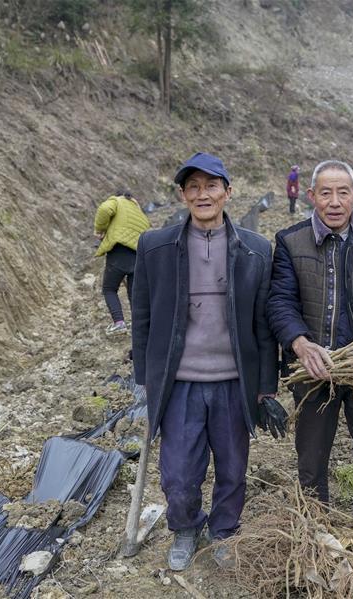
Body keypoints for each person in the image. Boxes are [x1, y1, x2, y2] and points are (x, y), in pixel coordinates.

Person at [132, 152, 287, 571]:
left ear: (227, 192)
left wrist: (266, 386)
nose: (203, 195)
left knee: (233, 467)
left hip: (233, 381)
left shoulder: (255, 250)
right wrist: (142, 377)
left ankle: (224, 530)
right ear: (183, 195)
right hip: (179, 381)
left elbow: (262, 325)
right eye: (193, 187)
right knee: (179, 475)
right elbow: (142, 315)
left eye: (211, 186)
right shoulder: (155, 246)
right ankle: (185, 527)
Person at [267, 160, 353, 511]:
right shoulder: (289, 242)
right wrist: (300, 342)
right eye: (326, 193)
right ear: (311, 196)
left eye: (343, 193)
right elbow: (280, 300)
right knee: (311, 458)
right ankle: (316, 525)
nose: (335, 201)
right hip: (312, 370)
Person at [93, 191, 150, 334]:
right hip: (139, 255)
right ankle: (139, 326)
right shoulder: (140, 213)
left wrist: (100, 229)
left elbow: (105, 209)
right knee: (134, 293)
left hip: (119, 251)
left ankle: (119, 323)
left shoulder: (117, 201)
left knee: (109, 289)